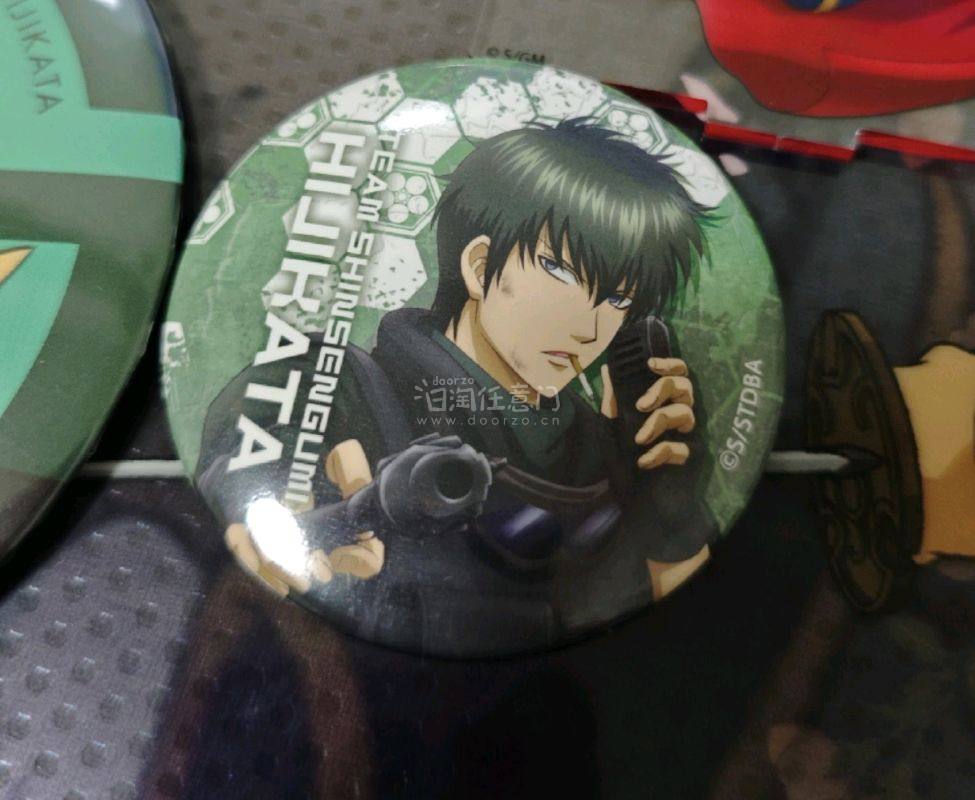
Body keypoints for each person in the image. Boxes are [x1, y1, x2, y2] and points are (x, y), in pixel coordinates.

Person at [200, 119, 719, 654]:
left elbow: (679, 631)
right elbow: (256, 449)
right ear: (479, 265)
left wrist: (666, 498)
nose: (589, 328)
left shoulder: (605, 453)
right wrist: (282, 503)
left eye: (617, 300)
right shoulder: (332, 382)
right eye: (560, 272)